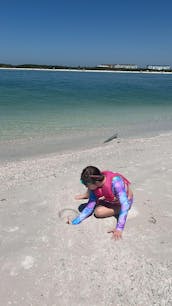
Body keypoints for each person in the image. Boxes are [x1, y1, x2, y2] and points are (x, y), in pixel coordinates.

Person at [72, 166, 133, 240]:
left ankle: (118, 209)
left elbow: (125, 204)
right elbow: (90, 206)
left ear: (96, 182)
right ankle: (86, 195)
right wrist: (77, 220)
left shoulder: (116, 183)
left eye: (86, 185)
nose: (86, 186)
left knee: (98, 212)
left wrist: (119, 228)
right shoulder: (97, 182)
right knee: (92, 192)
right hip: (111, 199)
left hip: (125, 202)